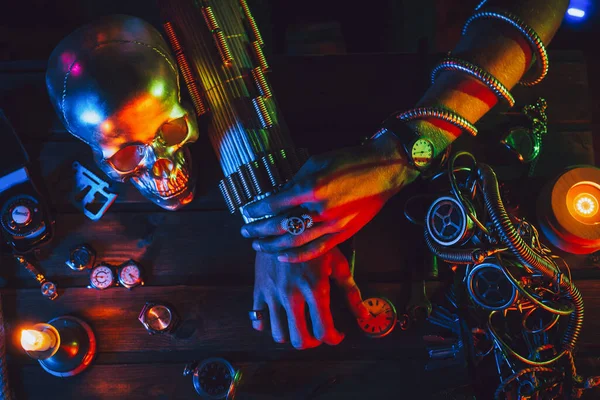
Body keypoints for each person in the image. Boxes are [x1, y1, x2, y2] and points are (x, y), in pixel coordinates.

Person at [245, 0, 570, 349]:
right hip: (265, 38)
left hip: (398, 39)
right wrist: (284, 226)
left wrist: (394, 159)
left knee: (398, 32)